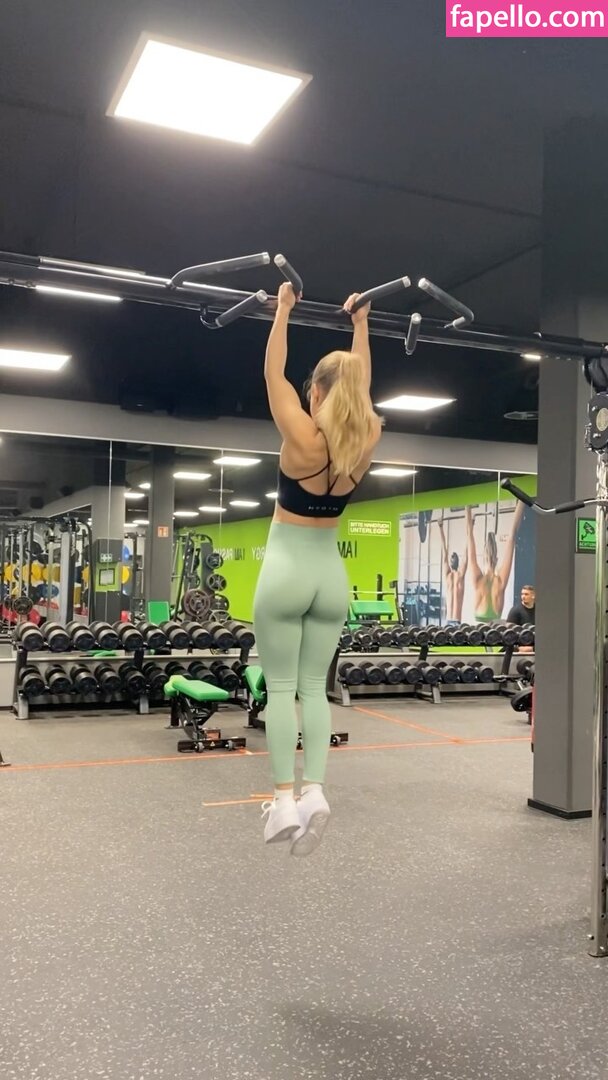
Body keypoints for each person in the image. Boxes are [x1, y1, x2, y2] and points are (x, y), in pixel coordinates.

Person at [253, 283, 382, 855]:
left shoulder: (303, 437)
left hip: (286, 570)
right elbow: (362, 385)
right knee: (314, 689)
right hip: (332, 579)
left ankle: (284, 800)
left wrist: (283, 311)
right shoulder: (367, 436)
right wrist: (361, 325)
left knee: (281, 689)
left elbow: (272, 372)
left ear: (318, 391)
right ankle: (316, 791)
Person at [465, 502, 524, 622]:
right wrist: (522, 501)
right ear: (496, 559)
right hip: (495, 630)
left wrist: (467, 506)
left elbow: (469, 536)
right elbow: (512, 535)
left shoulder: (478, 581)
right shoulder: (500, 581)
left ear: (483, 557)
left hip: (479, 631)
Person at [437, 517, 467, 622]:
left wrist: (440, 527)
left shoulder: (451, 576)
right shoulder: (458, 576)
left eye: (453, 558)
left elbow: (445, 553)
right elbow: (445, 553)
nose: (451, 559)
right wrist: (440, 527)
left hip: (451, 621)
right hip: (451, 621)